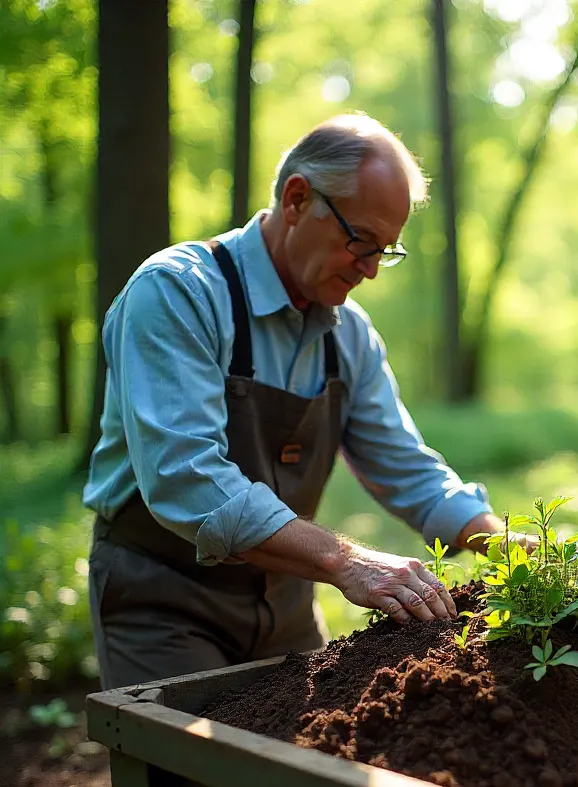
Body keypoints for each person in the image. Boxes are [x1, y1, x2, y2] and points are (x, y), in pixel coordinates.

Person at [83, 113, 508, 691]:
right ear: (297, 198)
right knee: (188, 779)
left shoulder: (350, 335)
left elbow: (407, 468)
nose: (371, 271)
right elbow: (187, 479)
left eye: (386, 251)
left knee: (306, 771)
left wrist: (507, 546)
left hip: (286, 603)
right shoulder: (179, 293)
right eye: (360, 241)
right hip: (162, 601)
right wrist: (346, 561)